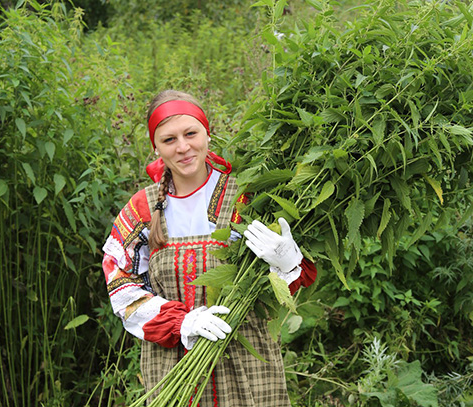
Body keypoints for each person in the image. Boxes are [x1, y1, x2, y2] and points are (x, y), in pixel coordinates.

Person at [102, 90, 317, 406]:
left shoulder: (248, 195)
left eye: (191, 133)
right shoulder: (142, 208)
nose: (183, 147)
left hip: (248, 356)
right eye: (169, 139)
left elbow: (295, 280)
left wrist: (288, 261)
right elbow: (120, 284)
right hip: (173, 368)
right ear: (156, 147)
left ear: (207, 132)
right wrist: (182, 322)